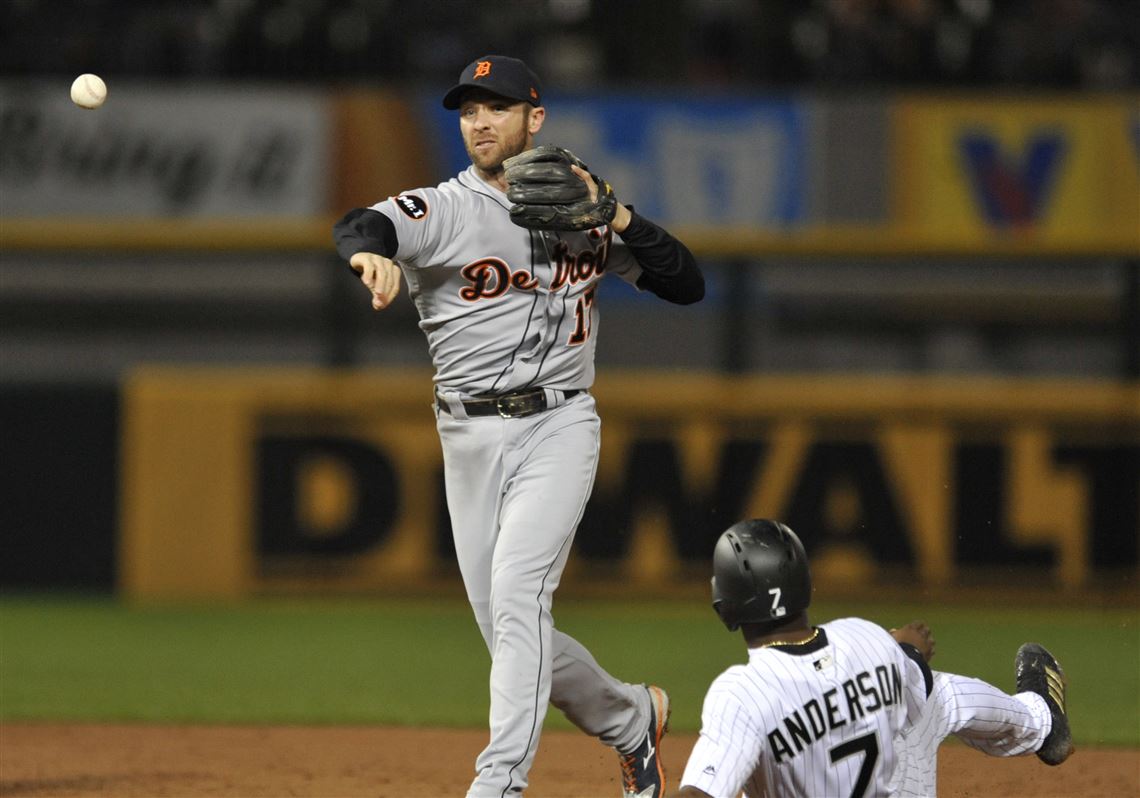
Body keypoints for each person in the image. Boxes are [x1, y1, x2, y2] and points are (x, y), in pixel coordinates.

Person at [333, 55, 704, 798]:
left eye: (496, 107)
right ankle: (633, 719)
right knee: (509, 629)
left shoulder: (582, 205)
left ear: (535, 118)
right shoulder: (447, 208)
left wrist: (617, 214)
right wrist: (369, 255)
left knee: (517, 602)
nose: (478, 122)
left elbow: (687, 283)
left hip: (560, 424)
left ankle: (499, 783)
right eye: (468, 109)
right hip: (467, 437)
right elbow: (361, 222)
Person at [674, 519, 1074, 798]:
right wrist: (909, 649)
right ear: (806, 584)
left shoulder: (741, 693)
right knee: (932, 698)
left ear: (724, 607)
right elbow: (907, 668)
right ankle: (1040, 721)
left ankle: (1039, 723)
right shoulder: (867, 637)